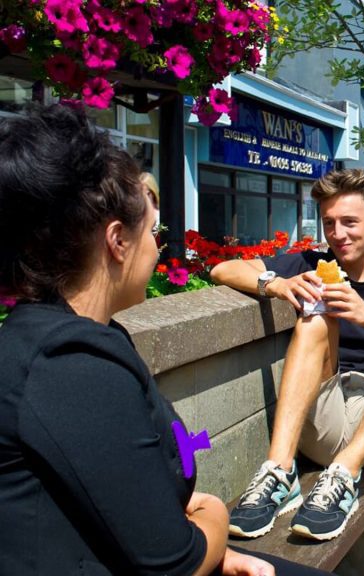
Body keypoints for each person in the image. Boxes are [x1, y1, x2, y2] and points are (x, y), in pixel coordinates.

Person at [0, 104, 330, 575]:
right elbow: (177, 564)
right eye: (152, 231)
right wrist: (213, 519)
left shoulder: (82, 336)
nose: (158, 246)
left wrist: (220, 551)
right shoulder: (66, 364)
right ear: (117, 241)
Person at [211, 168, 364, 542]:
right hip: (325, 416)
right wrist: (275, 283)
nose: (338, 234)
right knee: (313, 319)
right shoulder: (310, 265)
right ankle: (279, 471)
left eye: (350, 222)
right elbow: (222, 269)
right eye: (329, 223)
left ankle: (345, 474)